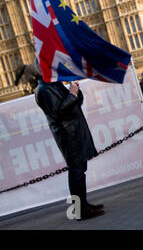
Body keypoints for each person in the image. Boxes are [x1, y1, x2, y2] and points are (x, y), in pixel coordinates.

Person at [34, 58, 105, 221]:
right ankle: (80, 210)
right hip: (68, 136)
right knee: (76, 171)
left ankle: (83, 204)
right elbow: (58, 112)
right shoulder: (43, 90)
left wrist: (75, 92)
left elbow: (75, 104)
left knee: (80, 170)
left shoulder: (54, 85)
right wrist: (71, 94)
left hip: (75, 132)